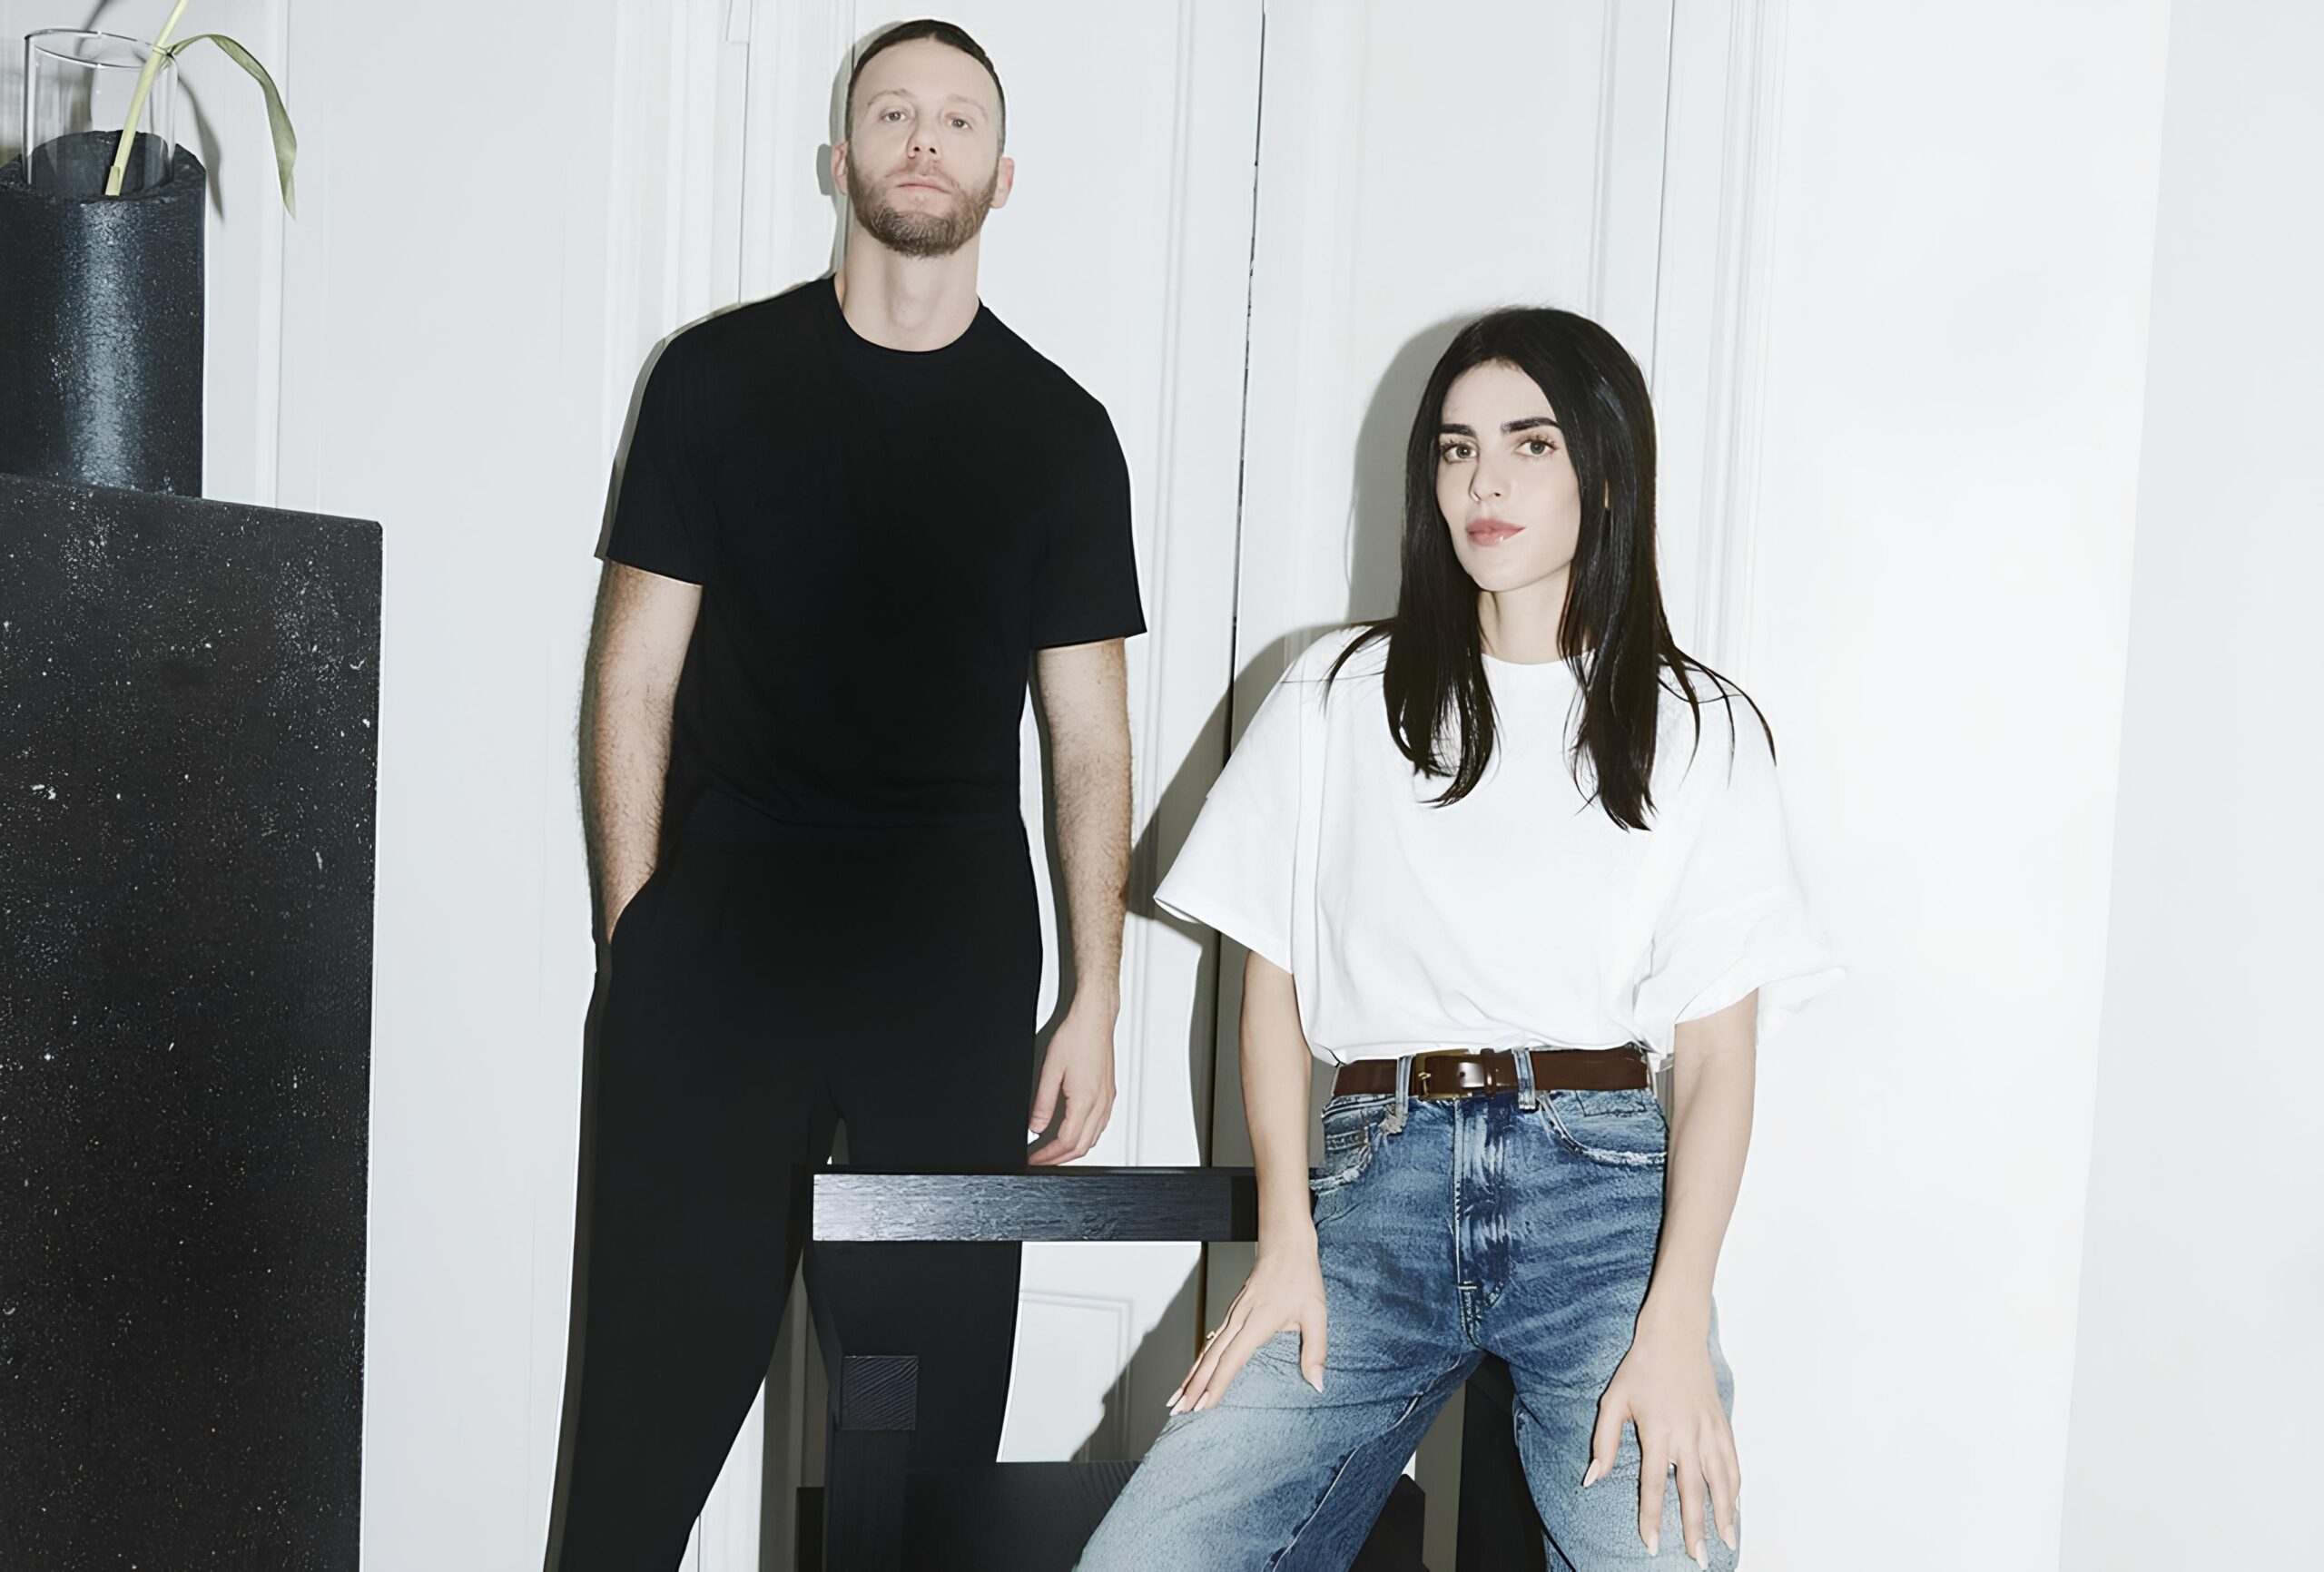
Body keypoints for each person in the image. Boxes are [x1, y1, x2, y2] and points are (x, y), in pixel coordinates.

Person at [1078, 309, 1840, 1571]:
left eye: (1531, 445)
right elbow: (1270, 990)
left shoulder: (1697, 726)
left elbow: (1716, 1061)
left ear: (1606, 475)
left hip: (1602, 1217)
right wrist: (1286, 1243)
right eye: (1456, 447)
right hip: (1373, 1197)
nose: (1485, 483)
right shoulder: (1335, 694)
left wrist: (1675, 1319)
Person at [544, 20, 1145, 1569]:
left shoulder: (1063, 435)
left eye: (958, 120)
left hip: (947, 967)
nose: (924, 139)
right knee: (642, 1433)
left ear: (1003, 177)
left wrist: (1096, 994)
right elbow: (633, 676)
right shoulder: (714, 381)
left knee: (917, 1464)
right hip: (722, 949)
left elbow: (1088, 737)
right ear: (840, 157)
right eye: (893, 113)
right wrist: (637, 935)